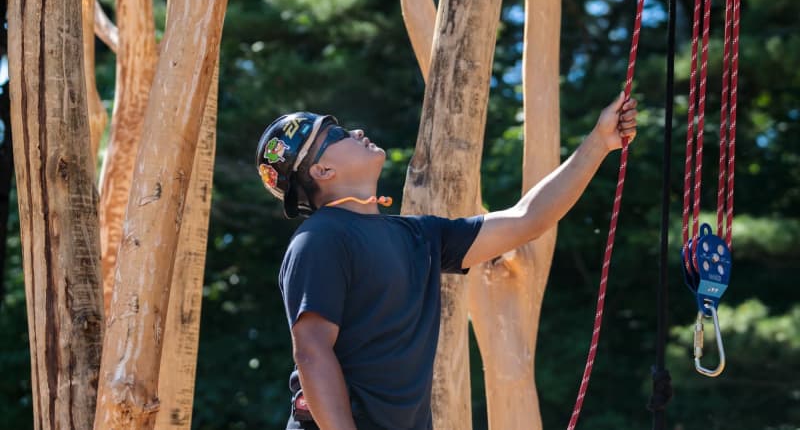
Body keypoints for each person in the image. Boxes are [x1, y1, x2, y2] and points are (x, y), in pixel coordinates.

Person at [256, 92, 638, 430]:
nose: (355, 132)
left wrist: (599, 144)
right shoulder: (320, 239)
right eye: (336, 135)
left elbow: (527, 219)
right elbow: (311, 350)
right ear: (323, 171)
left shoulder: (418, 235)